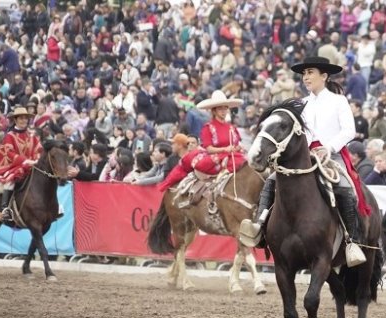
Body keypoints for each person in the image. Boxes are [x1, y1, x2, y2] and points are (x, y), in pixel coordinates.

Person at [240, 56, 370, 267]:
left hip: (331, 154)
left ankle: (352, 242)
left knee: (345, 187)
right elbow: (297, 134)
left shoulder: (338, 101)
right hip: (304, 155)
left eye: (310, 72)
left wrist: (327, 148)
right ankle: (260, 228)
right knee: (272, 180)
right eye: (304, 74)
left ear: (324, 76)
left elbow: (349, 131)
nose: (306, 77)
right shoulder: (301, 104)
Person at [156, 92, 245, 191]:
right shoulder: (208, 127)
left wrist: (237, 147)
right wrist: (225, 149)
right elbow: (209, 149)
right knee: (202, 163)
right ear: (214, 111)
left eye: (225, 108)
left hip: (231, 156)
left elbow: (236, 144)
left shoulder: (231, 128)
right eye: (220, 109)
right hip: (217, 156)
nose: (223, 111)